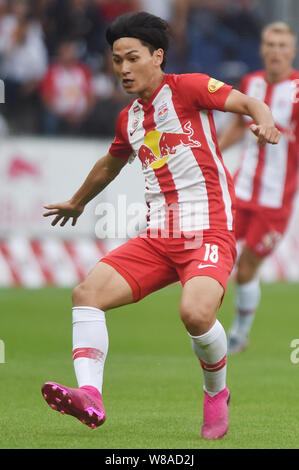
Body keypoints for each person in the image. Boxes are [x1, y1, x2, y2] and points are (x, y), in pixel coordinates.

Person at [41, 12, 279, 439]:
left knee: (195, 312)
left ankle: (215, 394)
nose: (123, 69)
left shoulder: (188, 88)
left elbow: (248, 102)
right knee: (86, 295)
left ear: (157, 56)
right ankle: (91, 396)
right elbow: (108, 165)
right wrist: (77, 202)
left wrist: (264, 120)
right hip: (158, 237)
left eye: (132, 58)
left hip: (209, 229)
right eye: (116, 61)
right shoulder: (128, 119)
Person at [218, 22, 299, 354]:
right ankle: (206, 325)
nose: (276, 50)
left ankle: (239, 333)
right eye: (270, 44)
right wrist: (214, 152)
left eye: (282, 45)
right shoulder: (250, 83)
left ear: (292, 52)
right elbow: (238, 126)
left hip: (275, 201)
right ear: (263, 49)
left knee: (248, 265)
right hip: (241, 191)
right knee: (217, 255)